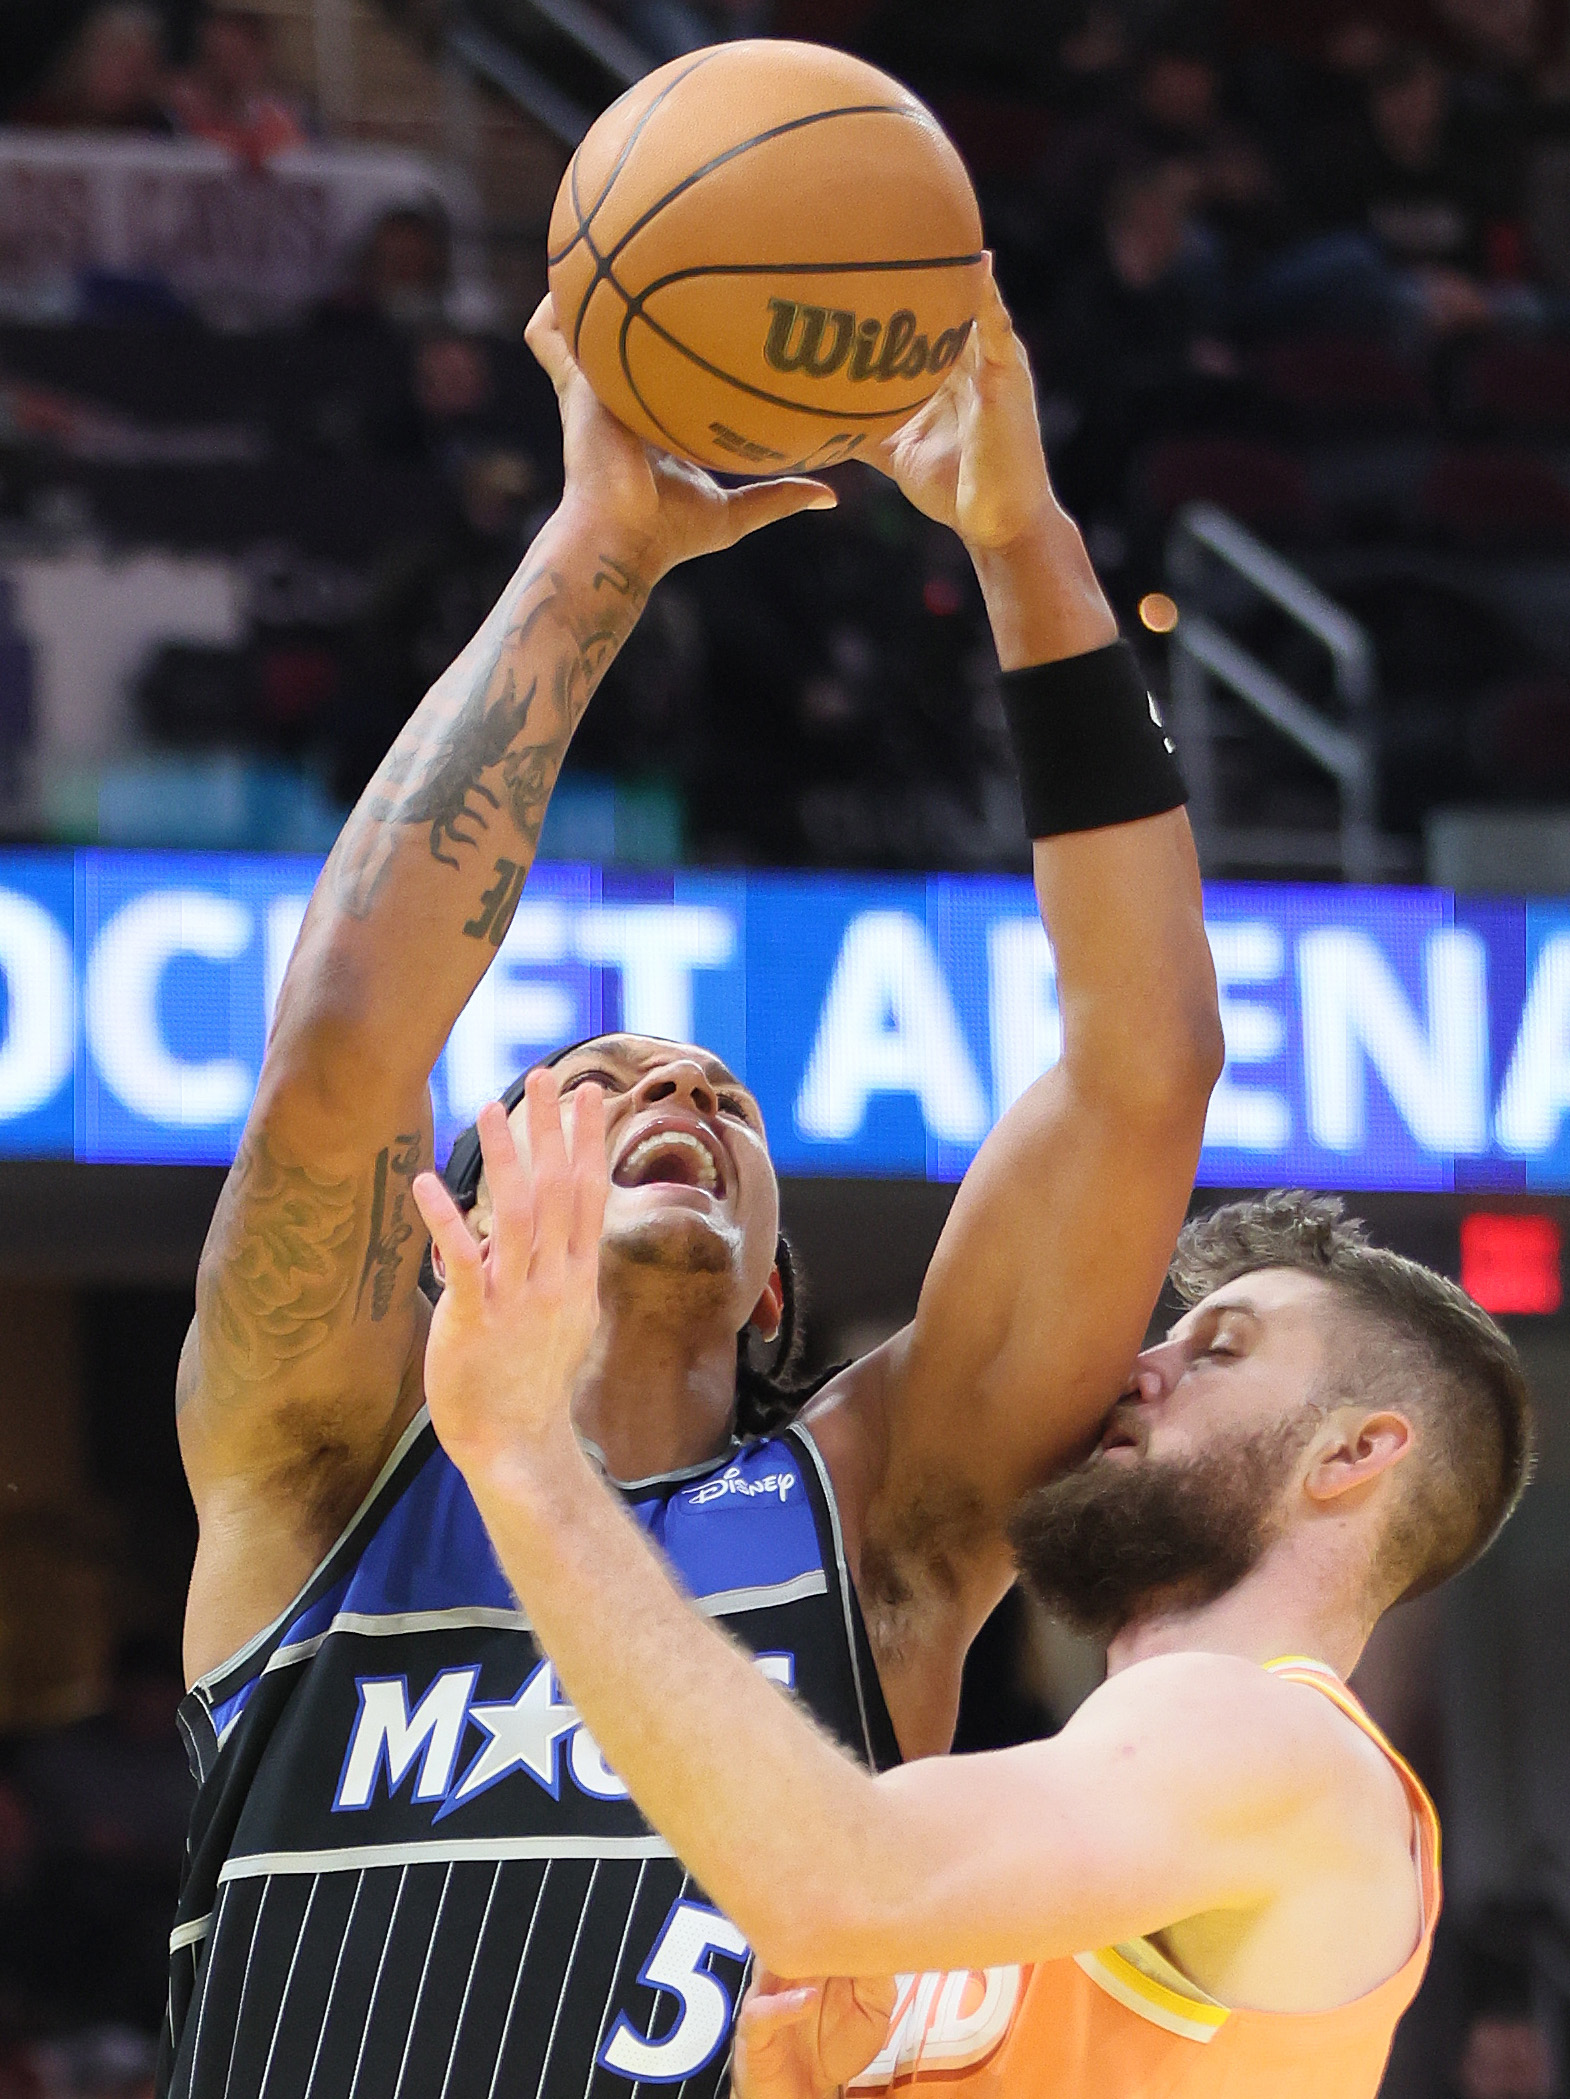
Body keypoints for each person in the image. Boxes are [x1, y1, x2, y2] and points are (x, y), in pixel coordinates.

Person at [161, 270, 1220, 2099]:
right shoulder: (319, 1468)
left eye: (720, 1098)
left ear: (775, 1289)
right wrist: (598, 548)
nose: (669, 1089)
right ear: (458, 1222)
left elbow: (1148, 1071)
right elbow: (338, 1055)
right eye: (588, 1084)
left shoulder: (873, 1517)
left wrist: (1025, 538)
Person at [411, 1137, 1532, 2099]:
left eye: (1218, 1349)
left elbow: (829, 1876)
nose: (1140, 1367)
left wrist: (522, 1452)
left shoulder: (1273, 1739)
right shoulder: (1091, 1808)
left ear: (1354, 1452)